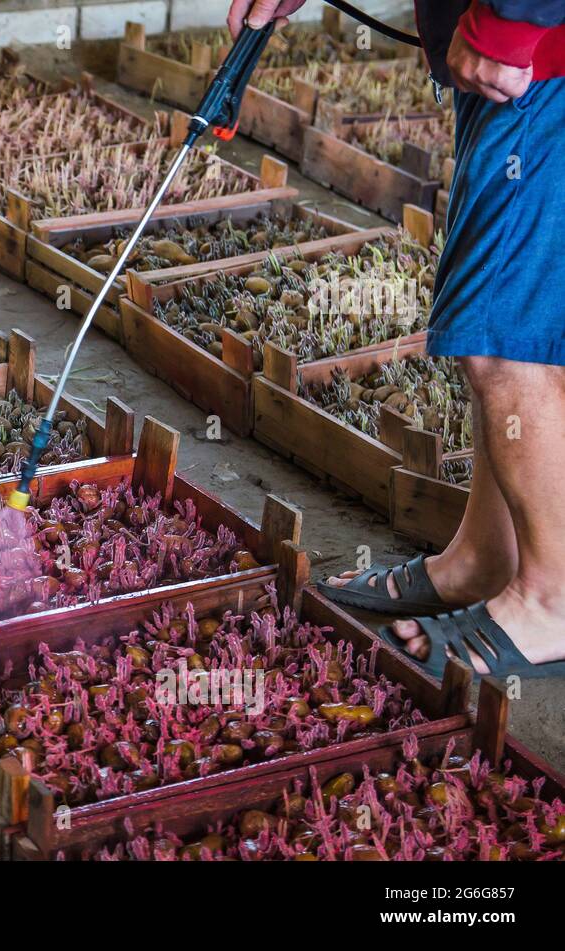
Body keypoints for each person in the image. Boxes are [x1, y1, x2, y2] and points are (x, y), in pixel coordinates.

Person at [228, 0, 565, 678]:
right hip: (522, 51)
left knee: (500, 344)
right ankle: (484, 556)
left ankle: (552, 596)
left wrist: (510, 23)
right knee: (515, 322)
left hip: (533, 48)